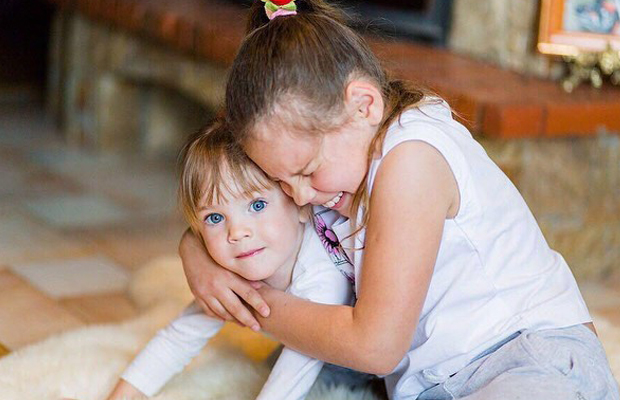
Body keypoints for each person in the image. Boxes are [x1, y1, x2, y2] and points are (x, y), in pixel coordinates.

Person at [179, 0, 620, 399]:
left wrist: (250, 302)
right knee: (305, 366)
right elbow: (228, 202)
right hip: (430, 380)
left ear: (364, 105)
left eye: (307, 171)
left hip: (525, 357)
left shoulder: (411, 158)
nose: (298, 195)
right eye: (280, 181)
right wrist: (196, 256)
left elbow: (375, 347)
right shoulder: (330, 162)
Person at [105, 120, 356, 400]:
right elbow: (179, 337)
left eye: (257, 205)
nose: (236, 232)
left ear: (301, 204)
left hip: (368, 365)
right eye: (215, 218)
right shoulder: (244, 260)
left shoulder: (322, 277)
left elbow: (290, 380)